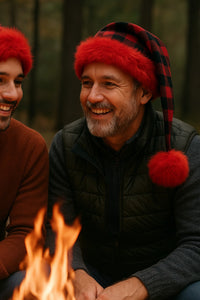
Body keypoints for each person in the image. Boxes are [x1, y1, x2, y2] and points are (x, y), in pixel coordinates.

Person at [46, 22, 200, 300]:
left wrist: (142, 285)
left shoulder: (184, 148)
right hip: (90, 276)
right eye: (86, 83)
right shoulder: (65, 145)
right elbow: (58, 227)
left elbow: (196, 244)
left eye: (109, 84)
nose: (93, 97)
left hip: (161, 281)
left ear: (144, 93)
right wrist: (77, 273)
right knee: (30, 281)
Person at [0, 26, 49, 299]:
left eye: (17, 82)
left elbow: (26, 232)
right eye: (0, 80)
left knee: (32, 279)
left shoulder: (29, 147)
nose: (11, 94)